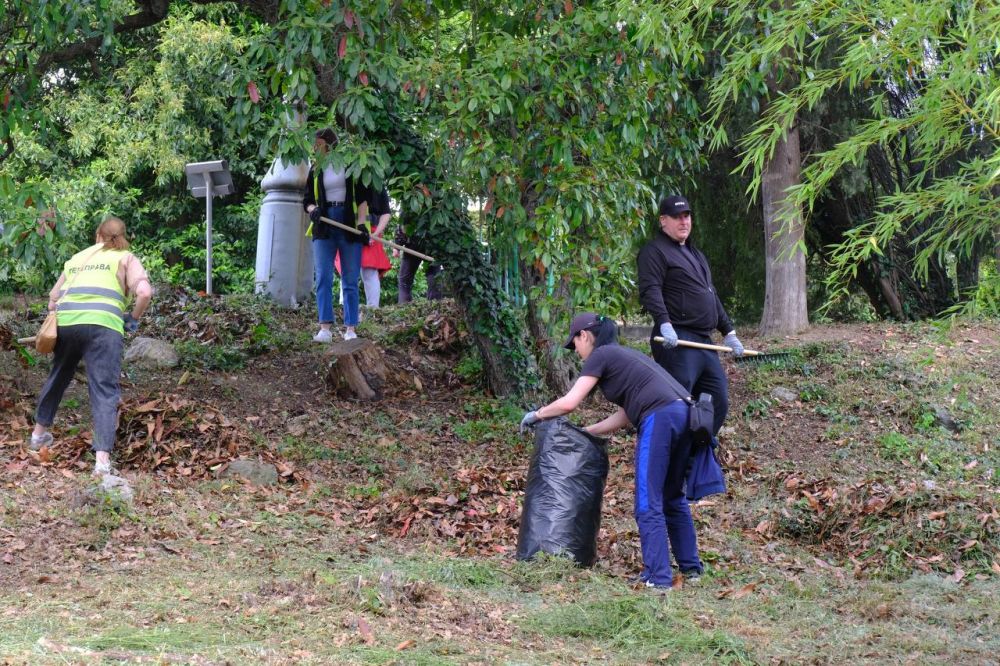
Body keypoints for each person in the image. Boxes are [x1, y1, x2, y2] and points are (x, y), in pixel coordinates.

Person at [519, 313, 704, 590]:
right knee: (671, 496)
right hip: (687, 416)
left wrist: (538, 414)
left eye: (576, 344)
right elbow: (626, 415)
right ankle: (691, 570)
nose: (577, 352)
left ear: (585, 335)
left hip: (662, 418)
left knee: (647, 500)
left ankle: (658, 578)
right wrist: (587, 433)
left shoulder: (601, 355)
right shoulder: (624, 356)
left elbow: (570, 403)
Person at [30, 216, 153, 475]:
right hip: (104, 328)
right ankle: (102, 461)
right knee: (104, 388)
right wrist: (132, 319)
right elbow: (144, 293)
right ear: (122, 235)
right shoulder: (125, 257)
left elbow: (53, 300)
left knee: (59, 376)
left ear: (98, 235)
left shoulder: (78, 258)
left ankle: (37, 436)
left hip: (68, 323)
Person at [636, 195, 745, 435]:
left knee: (717, 401)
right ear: (663, 221)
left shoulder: (696, 254)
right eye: (677, 217)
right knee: (679, 403)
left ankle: (698, 453)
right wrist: (664, 323)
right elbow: (650, 290)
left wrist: (729, 332)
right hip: (677, 340)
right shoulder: (654, 251)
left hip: (704, 342)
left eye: (686, 216)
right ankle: (672, 456)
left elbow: (711, 294)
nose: (683, 221)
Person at [302, 127, 387, 342]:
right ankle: (325, 328)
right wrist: (314, 211)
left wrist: (361, 224)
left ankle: (350, 329)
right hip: (324, 224)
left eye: (319, 143)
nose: (315, 147)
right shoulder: (316, 170)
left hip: (348, 223)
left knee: (349, 278)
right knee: (323, 276)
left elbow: (362, 199)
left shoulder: (350, 166)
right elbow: (307, 201)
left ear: (330, 144)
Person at [394, 222, 443, 303]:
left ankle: (435, 307)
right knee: (405, 282)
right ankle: (404, 308)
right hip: (412, 247)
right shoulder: (410, 211)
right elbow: (403, 223)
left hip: (432, 247)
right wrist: (397, 246)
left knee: (434, 278)